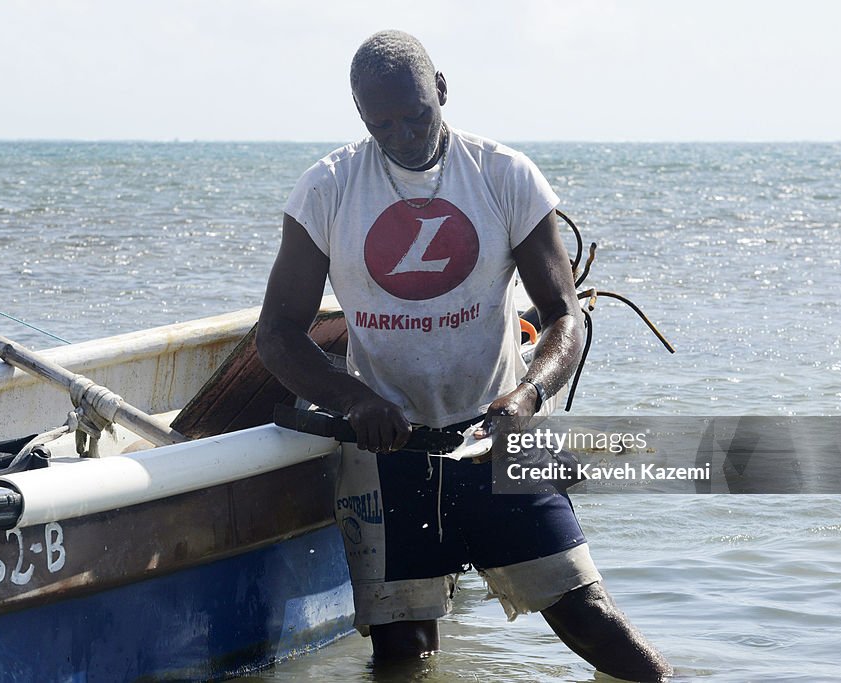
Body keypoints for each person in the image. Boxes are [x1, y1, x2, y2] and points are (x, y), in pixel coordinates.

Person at [257, 29, 672, 682]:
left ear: (442, 90)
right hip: (390, 454)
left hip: (498, 441)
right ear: (361, 116)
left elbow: (563, 315)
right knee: (402, 656)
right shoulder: (326, 190)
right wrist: (355, 399)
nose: (401, 134)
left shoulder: (505, 175)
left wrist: (529, 394)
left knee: (595, 623)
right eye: (381, 123)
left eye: (416, 114)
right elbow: (276, 333)